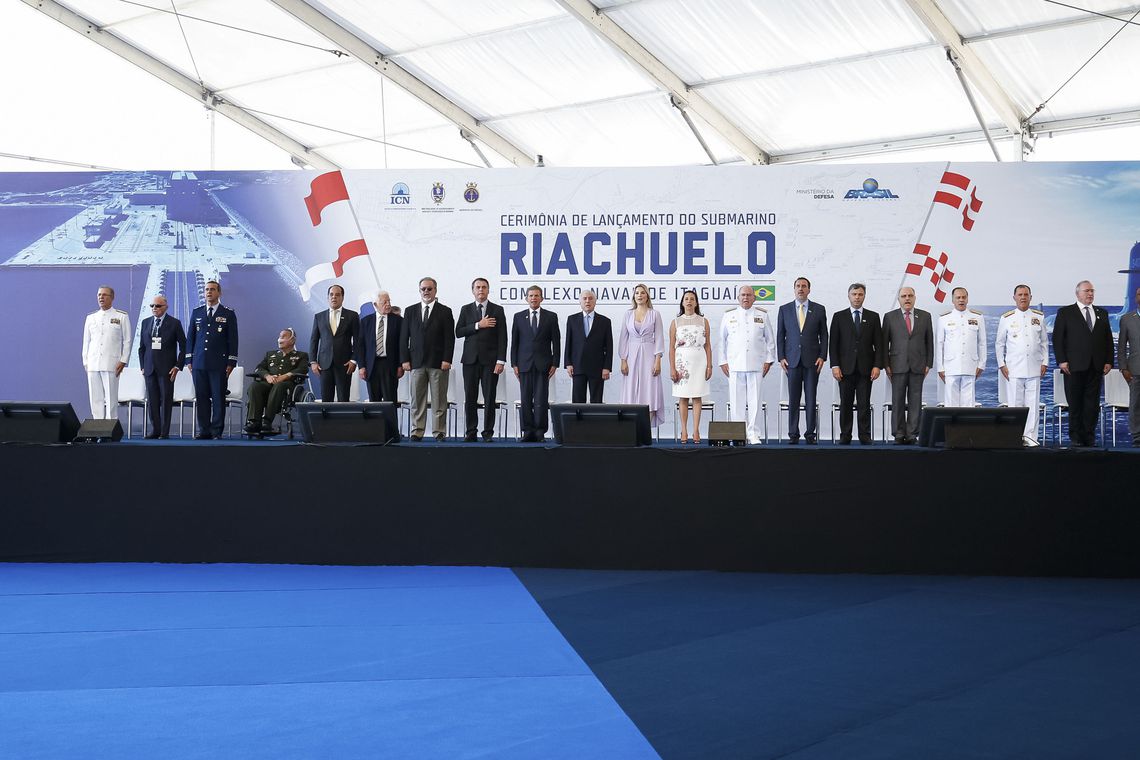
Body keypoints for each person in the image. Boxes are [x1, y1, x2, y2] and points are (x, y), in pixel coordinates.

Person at [1052, 280, 1114, 447]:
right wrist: (1061, 360)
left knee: (1091, 404)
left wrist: (1109, 360)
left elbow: (1108, 339)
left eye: (1092, 291)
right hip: (1073, 366)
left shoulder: (1102, 313)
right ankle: (1076, 437)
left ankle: (1089, 436)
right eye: (1087, 291)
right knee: (1075, 403)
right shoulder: (1065, 312)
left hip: (1096, 366)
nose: (1090, 294)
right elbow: (1058, 339)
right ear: (1077, 293)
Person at [718, 285, 776, 445]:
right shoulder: (729, 315)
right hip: (734, 365)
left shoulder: (762, 315)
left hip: (757, 365)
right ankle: (738, 434)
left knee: (755, 402)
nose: (746, 298)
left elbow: (770, 341)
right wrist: (722, 361)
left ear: (754, 298)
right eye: (743, 295)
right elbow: (721, 341)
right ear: (738, 297)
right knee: (736, 402)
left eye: (749, 295)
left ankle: (753, 434)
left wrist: (769, 360)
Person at [399, 277, 455, 441]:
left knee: (439, 400)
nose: (426, 292)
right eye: (423, 289)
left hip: (438, 362)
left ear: (435, 290)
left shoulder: (445, 311)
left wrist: (447, 359)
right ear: (419, 290)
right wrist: (405, 360)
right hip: (416, 362)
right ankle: (417, 431)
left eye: (429, 289)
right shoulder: (410, 311)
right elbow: (404, 338)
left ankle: (439, 432)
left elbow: (449, 338)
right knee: (417, 401)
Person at [828, 283, 883, 445]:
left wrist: (877, 365)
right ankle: (845, 435)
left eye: (860, 294)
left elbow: (879, 344)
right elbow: (833, 344)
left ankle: (864, 435)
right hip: (844, 369)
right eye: (854, 294)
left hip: (866, 369)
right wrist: (835, 365)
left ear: (864, 296)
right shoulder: (839, 316)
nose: (857, 297)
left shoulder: (873, 317)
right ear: (849, 296)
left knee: (864, 404)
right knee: (845, 403)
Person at [995, 284, 1049, 446]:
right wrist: (1001, 365)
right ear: (1014, 297)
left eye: (1026, 294)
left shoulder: (1039, 317)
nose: (1023, 297)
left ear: (1030, 297)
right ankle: (1015, 436)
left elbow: (1044, 342)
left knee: (1033, 404)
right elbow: (999, 344)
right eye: (1020, 294)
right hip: (1014, 368)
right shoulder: (1006, 318)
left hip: (1034, 367)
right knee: (1015, 405)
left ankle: (1031, 437)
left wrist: (1045, 362)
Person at [777, 276, 828, 444]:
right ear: (794, 289)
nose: (801, 289)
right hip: (791, 361)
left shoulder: (819, 309)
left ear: (809, 290)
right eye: (798, 286)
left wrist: (822, 356)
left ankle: (810, 434)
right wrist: (781, 357)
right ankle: (793, 434)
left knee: (811, 399)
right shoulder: (784, 309)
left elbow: (824, 335)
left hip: (812, 362)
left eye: (804, 286)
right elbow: (780, 335)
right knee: (793, 399)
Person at [455, 277, 507, 442]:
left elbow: (503, 337)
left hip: (490, 362)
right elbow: (459, 331)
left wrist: (501, 361)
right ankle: (471, 431)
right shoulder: (466, 309)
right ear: (473, 291)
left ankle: (488, 432)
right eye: (477, 287)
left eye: (484, 287)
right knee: (470, 397)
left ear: (488, 290)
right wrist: (479, 325)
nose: (481, 290)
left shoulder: (497, 310)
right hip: (470, 361)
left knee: (489, 397)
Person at [185, 279, 238, 439]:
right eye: (207, 289)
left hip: (219, 364)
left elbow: (233, 340)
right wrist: (189, 360)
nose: (209, 292)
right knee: (202, 398)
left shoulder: (228, 313)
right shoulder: (197, 312)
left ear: (219, 293)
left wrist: (231, 362)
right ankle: (204, 430)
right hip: (199, 363)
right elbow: (190, 338)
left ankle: (216, 431)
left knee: (218, 398)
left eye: (212, 289)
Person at [882, 286, 933, 444]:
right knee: (897, 400)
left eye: (910, 295)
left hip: (919, 365)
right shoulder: (890, 317)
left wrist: (928, 364)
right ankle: (898, 434)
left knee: (915, 401)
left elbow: (929, 342)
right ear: (899, 299)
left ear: (915, 298)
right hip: (897, 365)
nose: (907, 298)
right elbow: (884, 344)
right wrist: (886, 365)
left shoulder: (925, 316)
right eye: (904, 296)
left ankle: (912, 434)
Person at [511, 285, 560, 442]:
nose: (533, 298)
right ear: (526, 298)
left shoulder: (551, 317)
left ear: (542, 298)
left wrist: (555, 363)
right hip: (524, 364)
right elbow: (515, 342)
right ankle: (527, 431)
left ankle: (540, 432)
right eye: (531, 295)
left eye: (536, 295)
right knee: (525, 399)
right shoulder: (518, 317)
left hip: (543, 364)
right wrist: (514, 364)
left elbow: (556, 342)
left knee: (541, 399)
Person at [137, 295, 185, 439]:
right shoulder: (146, 323)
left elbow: (184, 346)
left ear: (166, 307)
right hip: (149, 369)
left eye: (157, 306)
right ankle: (155, 430)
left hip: (167, 370)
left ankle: (164, 432)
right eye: (152, 306)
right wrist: (142, 366)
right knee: (152, 401)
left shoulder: (174, 323)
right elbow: (141, 348)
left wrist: (177, 366)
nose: (154, 308)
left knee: (166, 400)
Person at [245, 328, 310, 435]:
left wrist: (285, 376)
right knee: (255, 385)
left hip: (287, 386)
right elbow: (259, 368)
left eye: (284, 337)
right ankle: (254, 422)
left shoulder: (301, 355)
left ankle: (267, 422)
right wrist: (267, 376)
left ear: (292, 340)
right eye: (280, 336)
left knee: (279, 385)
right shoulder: (270, 354)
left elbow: (303, 369)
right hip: (269, 383)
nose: (280, 339)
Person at [618, 283, 665, 427]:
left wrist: (658, 360)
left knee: (649, 389)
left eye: (642, 293)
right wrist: (623, 360)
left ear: (647, 296)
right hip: (631, 355)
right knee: (631, 390)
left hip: (649, 353)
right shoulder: (628, 314)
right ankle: (631, 430)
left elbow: (659, 337)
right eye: (637, 293)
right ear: (634, 295)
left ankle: (646, 430)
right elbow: (623, 338)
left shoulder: (654, 314)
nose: (640, 295)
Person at [82, 285, 132, 420]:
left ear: (112, 297)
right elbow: (86, 342)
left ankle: (111, 427)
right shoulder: (91, 317)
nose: (101, 297)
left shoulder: (121, 316)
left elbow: (127, 340)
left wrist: (123, 360)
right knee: (95, 398)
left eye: (104, 295)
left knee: (111, 399)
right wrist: (86, 362)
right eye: (99, 295)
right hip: (93, 363)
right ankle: (98, 425)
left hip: (112, 363)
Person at [670, 290, 712, 443]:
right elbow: (671, 348)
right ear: (682, 302)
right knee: (683, 397)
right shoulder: (675, 322)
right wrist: (672, 368)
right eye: (686, 299)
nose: (689, 301)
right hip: (682, 363)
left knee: (697, 396)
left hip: (699, 361)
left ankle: (695, 430)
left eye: (692, 299)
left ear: (696, 303)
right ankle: (684, 430)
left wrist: (709, 366)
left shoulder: (703, 321)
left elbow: (708, 345)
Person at [936, 287, 987, 406]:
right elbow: (939, 344)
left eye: (964, 297)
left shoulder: (977, 317)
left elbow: (982, 342)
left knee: (968, 404)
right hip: (950, 366)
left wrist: (981, 364)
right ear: (953, 300)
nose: (961, 300)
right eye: (958, 298)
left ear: (967, 299)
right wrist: (940, 367)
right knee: (950, 404)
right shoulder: (944, 318)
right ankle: (951, 425)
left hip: (970, 365)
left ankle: (967, 425)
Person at [309, 284, 358, 402]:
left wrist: (354, 360)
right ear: (327, 297)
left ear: (342, 297)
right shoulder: (319, 317)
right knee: (326, 400)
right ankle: (326, 421)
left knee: (343, 399)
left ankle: (343, 421)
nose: (334, 297)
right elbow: (314, 340)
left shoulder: (352, 316)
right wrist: (313, 361)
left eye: (337, 295)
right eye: (331, 295)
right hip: (324, 365)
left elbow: (358, 340)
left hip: (345, 364)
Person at [564, 289, 613, 403]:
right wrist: (568, 363)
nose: (587, 301)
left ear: (595, 302)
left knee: (596, 401)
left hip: (597, 367)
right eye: (584, 299)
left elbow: (609, 347)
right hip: (577, 366)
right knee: (577, 401)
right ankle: (577, 422)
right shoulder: (572, 319)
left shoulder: (605, 321)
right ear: (580, 302)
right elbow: (568, 343)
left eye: (590, 299)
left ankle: (595, 421)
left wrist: (607, 367)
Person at [357, 290, 403, 403]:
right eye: (384, 302)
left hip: (390, 365)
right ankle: (375, 422)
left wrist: (400, 365)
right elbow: (360, 346)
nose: (388, 304)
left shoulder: (398, 321)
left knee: (390, 402)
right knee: (374, 403)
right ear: (375, 305)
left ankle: (391, 422)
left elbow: (402, 345)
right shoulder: (366, 321)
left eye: (389, 301)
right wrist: (361, 366)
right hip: (371, 366)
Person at [1119, 287, 1140, 446]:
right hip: (1135, 369)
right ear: (1136, 298)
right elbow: (1121, 347)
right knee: (1135, 404)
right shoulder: (1127, 319)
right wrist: (1123, 368)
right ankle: (1137, 436)